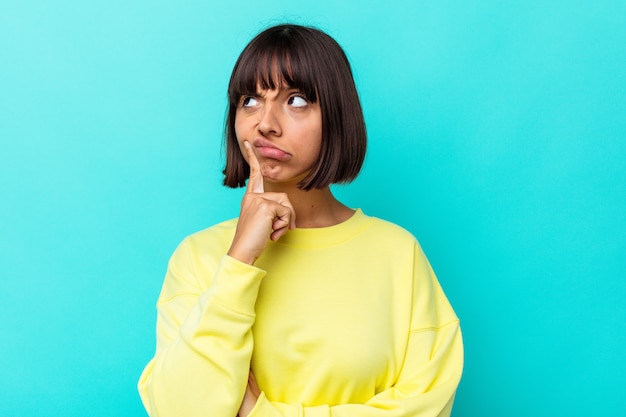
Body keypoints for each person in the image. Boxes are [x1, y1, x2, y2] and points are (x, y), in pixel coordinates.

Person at [138, 24, 463, 417]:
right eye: (249, 101)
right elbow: (178, 411)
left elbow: (426, 407)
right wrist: (239, 261)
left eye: (296, 101)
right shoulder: (198, 258)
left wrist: (260, 412)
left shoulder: (398, 255)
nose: (266, 123)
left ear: (337, 116)